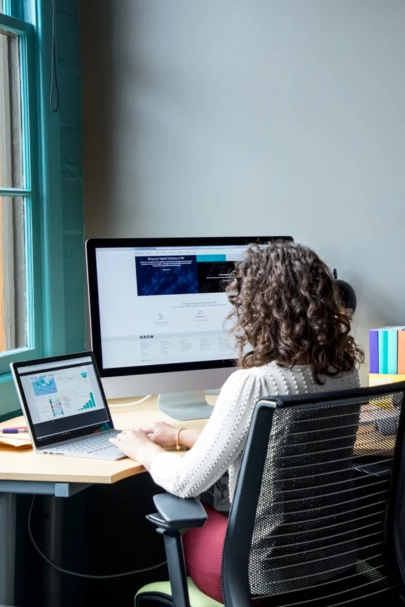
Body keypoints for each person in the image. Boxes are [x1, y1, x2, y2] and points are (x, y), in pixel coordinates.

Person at [111, 241, 363, 602]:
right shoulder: (343, 371)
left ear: (258, 308)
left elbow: (183, 482)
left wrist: (144, 449)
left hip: (262, 577)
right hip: (335, 566)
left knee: (193, 505)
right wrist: (180, 434)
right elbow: (278, 444)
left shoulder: (255, 382)